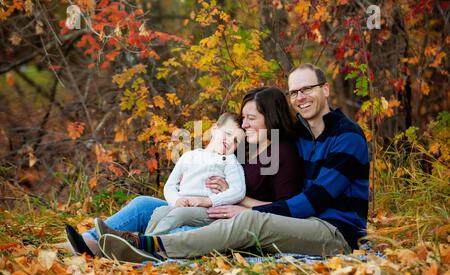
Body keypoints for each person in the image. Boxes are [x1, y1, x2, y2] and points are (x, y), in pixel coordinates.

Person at [65, 86, 303, 260]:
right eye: (244, 119)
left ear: (271, 119)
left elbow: (286, 210)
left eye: (252, 119)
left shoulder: (283, 152)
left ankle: (140, 248)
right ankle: (88, 241)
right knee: (143, 204)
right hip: (207, 208)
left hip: (229, 220)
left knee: (180, 225)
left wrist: (240, 200)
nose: (245, 125)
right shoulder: (246, 147)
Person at [127, 112, 246, 236]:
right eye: (228, 134)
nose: (231, 141)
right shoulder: (189, 156)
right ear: (215, 130)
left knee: (178, 214)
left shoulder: (229, 161)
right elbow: (170, 185)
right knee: (160, 212)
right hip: (183, 206)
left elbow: (238, 191)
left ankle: (145, 244)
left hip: (208, 211)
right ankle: (147, 246)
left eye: (236, 141)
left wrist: (209, 201)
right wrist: (176, 200)